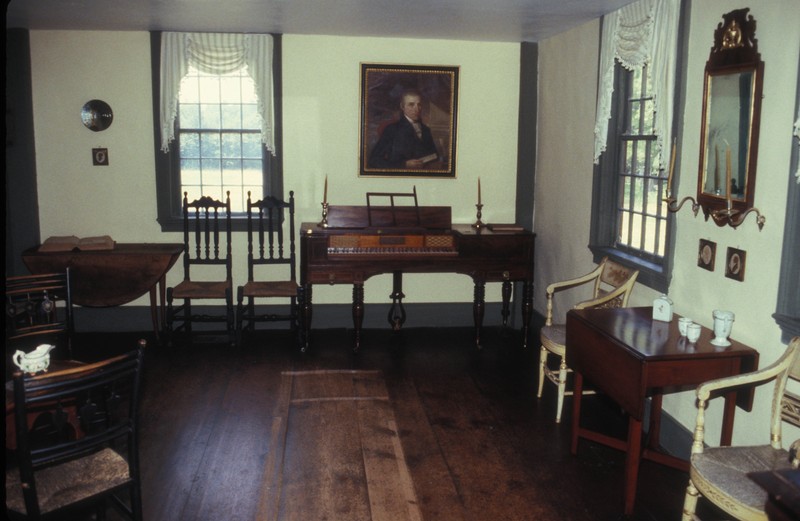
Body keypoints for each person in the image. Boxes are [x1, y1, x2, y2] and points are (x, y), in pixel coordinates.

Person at [368, 89, 439, 169]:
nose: (417, 109)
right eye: (411, 104)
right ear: (402, 106)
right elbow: (374, 160)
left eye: (419, 105)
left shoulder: (426, 130)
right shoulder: (391, 130)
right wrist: (404, 164)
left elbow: (434, 155)